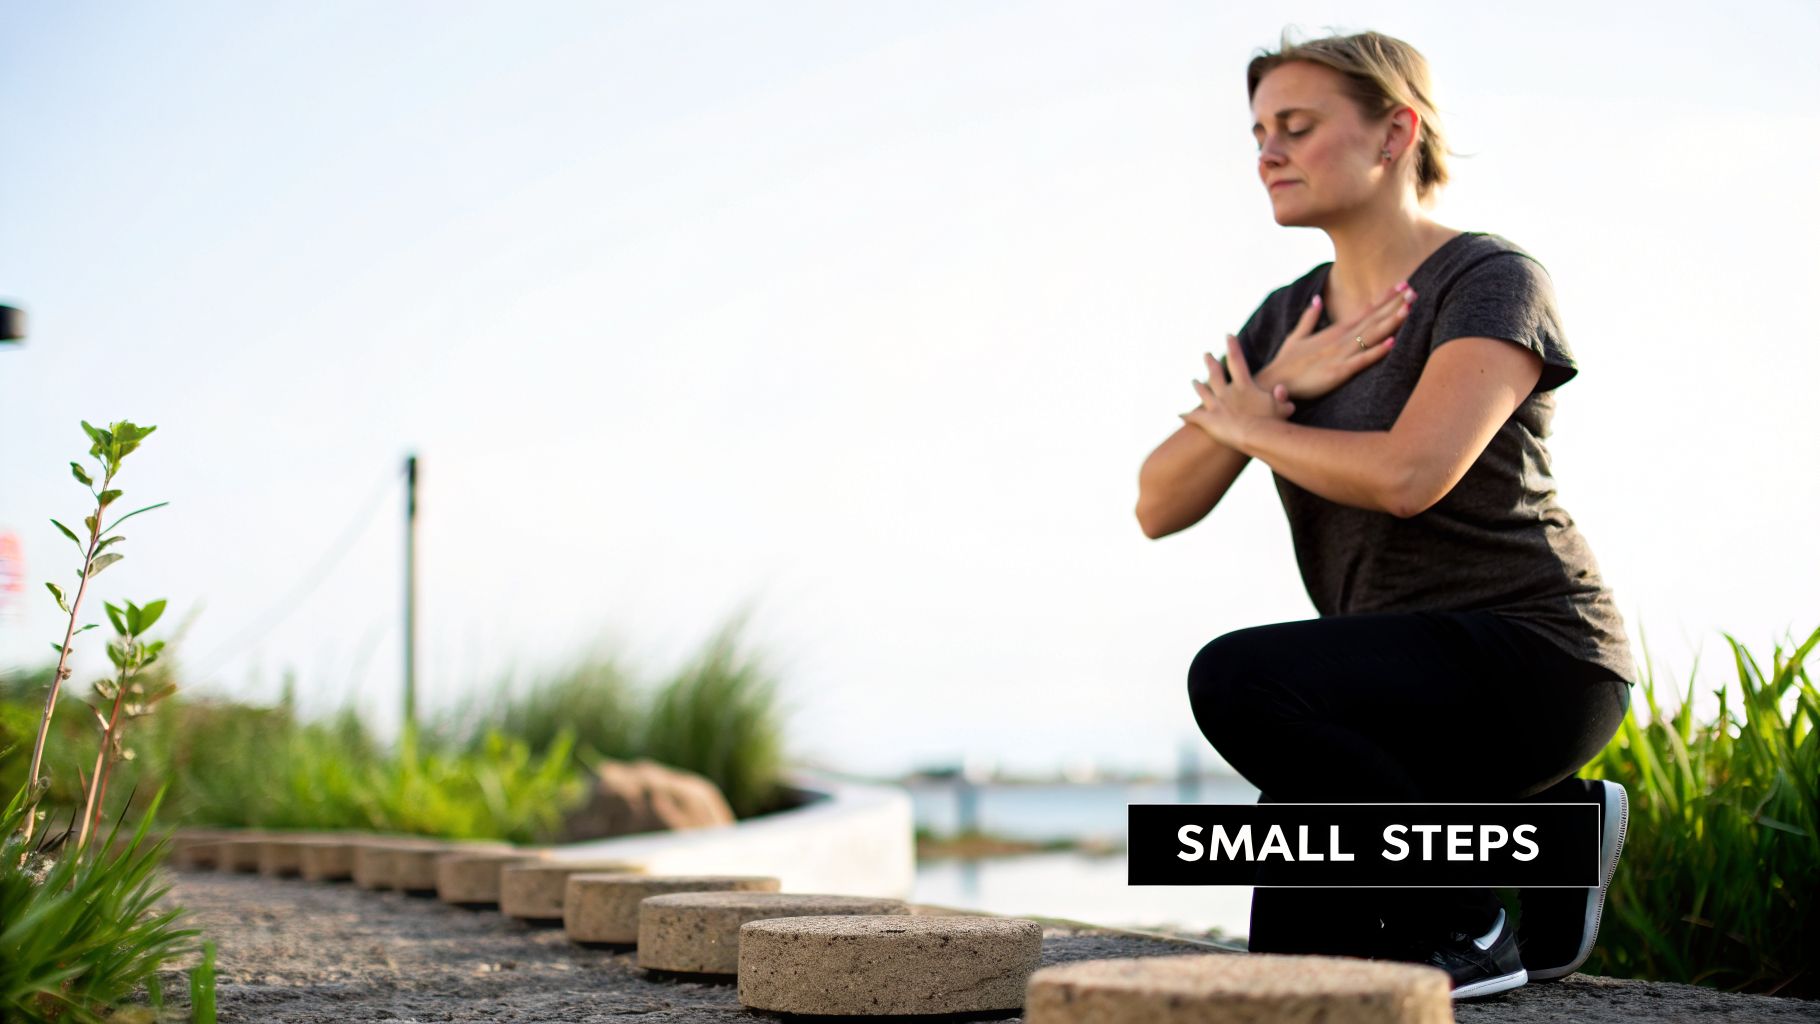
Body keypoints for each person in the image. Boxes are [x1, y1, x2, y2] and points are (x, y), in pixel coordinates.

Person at [1135, 29, 1634, 1000]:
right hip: (1377, 706)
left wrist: (1250, 423)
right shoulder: (1286, 321)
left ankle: (1466, 913)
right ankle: (1544, 836)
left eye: (1296, 126)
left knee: (1233, 677)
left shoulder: (1487, 280)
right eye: (1257, 132)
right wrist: (1274, 385)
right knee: (1290, 964)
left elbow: (1411, 474)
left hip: (1534, 657)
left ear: (1393, 131)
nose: (1266, 153)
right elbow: (1157, 503)